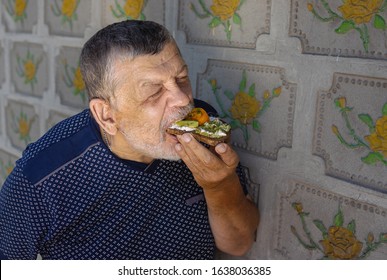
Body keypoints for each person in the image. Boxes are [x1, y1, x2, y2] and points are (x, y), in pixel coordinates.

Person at [0, 20, 259, 260]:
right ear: (107, 116)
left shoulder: (203, 125)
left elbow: (238, 244)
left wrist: (220, 186)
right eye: (155, 92)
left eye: (181, 78)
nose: (182, 100)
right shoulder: (39, 180)